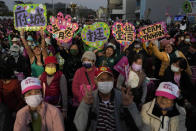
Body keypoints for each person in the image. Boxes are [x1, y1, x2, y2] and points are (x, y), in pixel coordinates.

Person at [74, 66, 143, 131]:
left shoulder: (122, 97)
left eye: (108, 79)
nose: (105, 82)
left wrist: (130, 106)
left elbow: (140, 125)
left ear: (113, 80)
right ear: (95, 81)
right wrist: (85, 105)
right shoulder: (90, 97)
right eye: (101, 79)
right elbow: (79, 127)